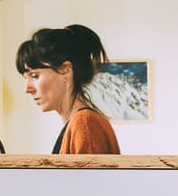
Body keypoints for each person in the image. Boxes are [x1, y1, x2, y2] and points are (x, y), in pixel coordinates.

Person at [16, 25, 121, 154]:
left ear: (65, 70)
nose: (27, 89)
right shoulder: (80, 123)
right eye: (26, 78)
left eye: (34, 76)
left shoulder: (85, 124)